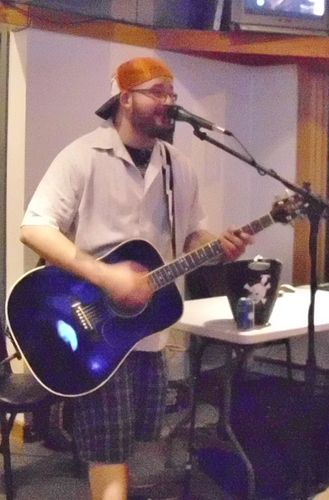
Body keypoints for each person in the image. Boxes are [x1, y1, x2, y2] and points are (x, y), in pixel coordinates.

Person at [19, 56, 253, 499]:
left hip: (147, 328)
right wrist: (105, 276)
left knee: (139, 447)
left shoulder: (178, 166)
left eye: (172, 93)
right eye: (158, 92)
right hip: (93, 329)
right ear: (125, 99)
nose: (170, 101)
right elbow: (34, 228)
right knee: (107, 452)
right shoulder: (82, 157)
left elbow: (192, 235)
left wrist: (216, 246)